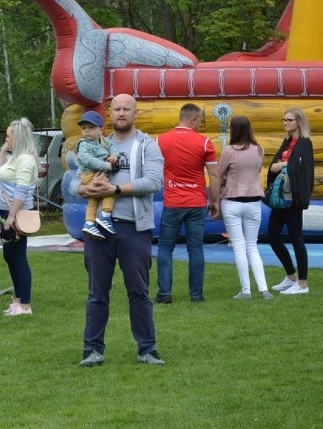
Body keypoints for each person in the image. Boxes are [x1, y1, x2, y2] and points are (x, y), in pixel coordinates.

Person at [69, 94, 165, 366]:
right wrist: (86, 189)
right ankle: (92, 350)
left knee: (138, 291)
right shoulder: (97, 142)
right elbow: (74, 183)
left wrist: (116, 189)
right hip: (99, 229)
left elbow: (153, 181)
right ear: (111, 114)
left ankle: (147, 349)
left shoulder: (147, 145)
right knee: (97, 292)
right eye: (117, 109)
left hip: (134, 228)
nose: (122, 113)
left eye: (127, 109)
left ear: (135, 113)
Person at [155, 103, 220, 303]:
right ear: (193, 119)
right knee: (195, 247)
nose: (200, 124)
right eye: (199, 120)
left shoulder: (160, 141)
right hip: (196, 202)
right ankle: (196, 295)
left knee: (165, 247)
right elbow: (214, 175)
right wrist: (215, 200)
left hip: (173, 201)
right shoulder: (204, 142)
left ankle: (165, 293)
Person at [219, 116, 273, 300]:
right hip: (253, 201)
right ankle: (263, 289)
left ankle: (246, 290)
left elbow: (220, 174)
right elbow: (256, 172)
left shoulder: (229, 151)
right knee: (252, 246)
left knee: (239, 247)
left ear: (234, 130)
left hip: (232, 201)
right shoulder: (259, 149)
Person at [267, 108, 315, 295]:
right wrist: (281, 165)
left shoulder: (304, 143)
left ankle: (302, 283)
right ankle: (291, 276)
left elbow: (302, 168)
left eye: (289, 120)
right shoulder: (287, 142)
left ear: (299, 122)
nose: (285, 122)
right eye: (283, 119)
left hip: (294, 198)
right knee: (272, 235)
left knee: (296, 238)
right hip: (280, 197)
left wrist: (282, 165)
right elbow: (273, 166)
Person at [0, 118, 39, 316]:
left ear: (19, 137)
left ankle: (25, 305)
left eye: (9, 135)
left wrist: (12, 216)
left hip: (18, 214)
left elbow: (22, 190)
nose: (6, 138)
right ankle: (18, 300)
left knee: (18, 256)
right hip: (7, 212)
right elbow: (0, 171)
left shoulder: (26, 159)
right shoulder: (15, 156)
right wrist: (4, 151)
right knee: (9, 255)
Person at [75, 110, 119, 240]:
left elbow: (113, 147)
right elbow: (87, 159)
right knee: (110, 191)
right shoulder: (83, 144)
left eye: (91, 127)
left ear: (101, 130)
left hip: (98, 173)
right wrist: (104, 165)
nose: (86, 131)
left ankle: (89, 223)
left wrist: (114, 156)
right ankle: (105, 215)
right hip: (89, 174)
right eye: (84, 128)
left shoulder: (104, 141)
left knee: (93, 200)